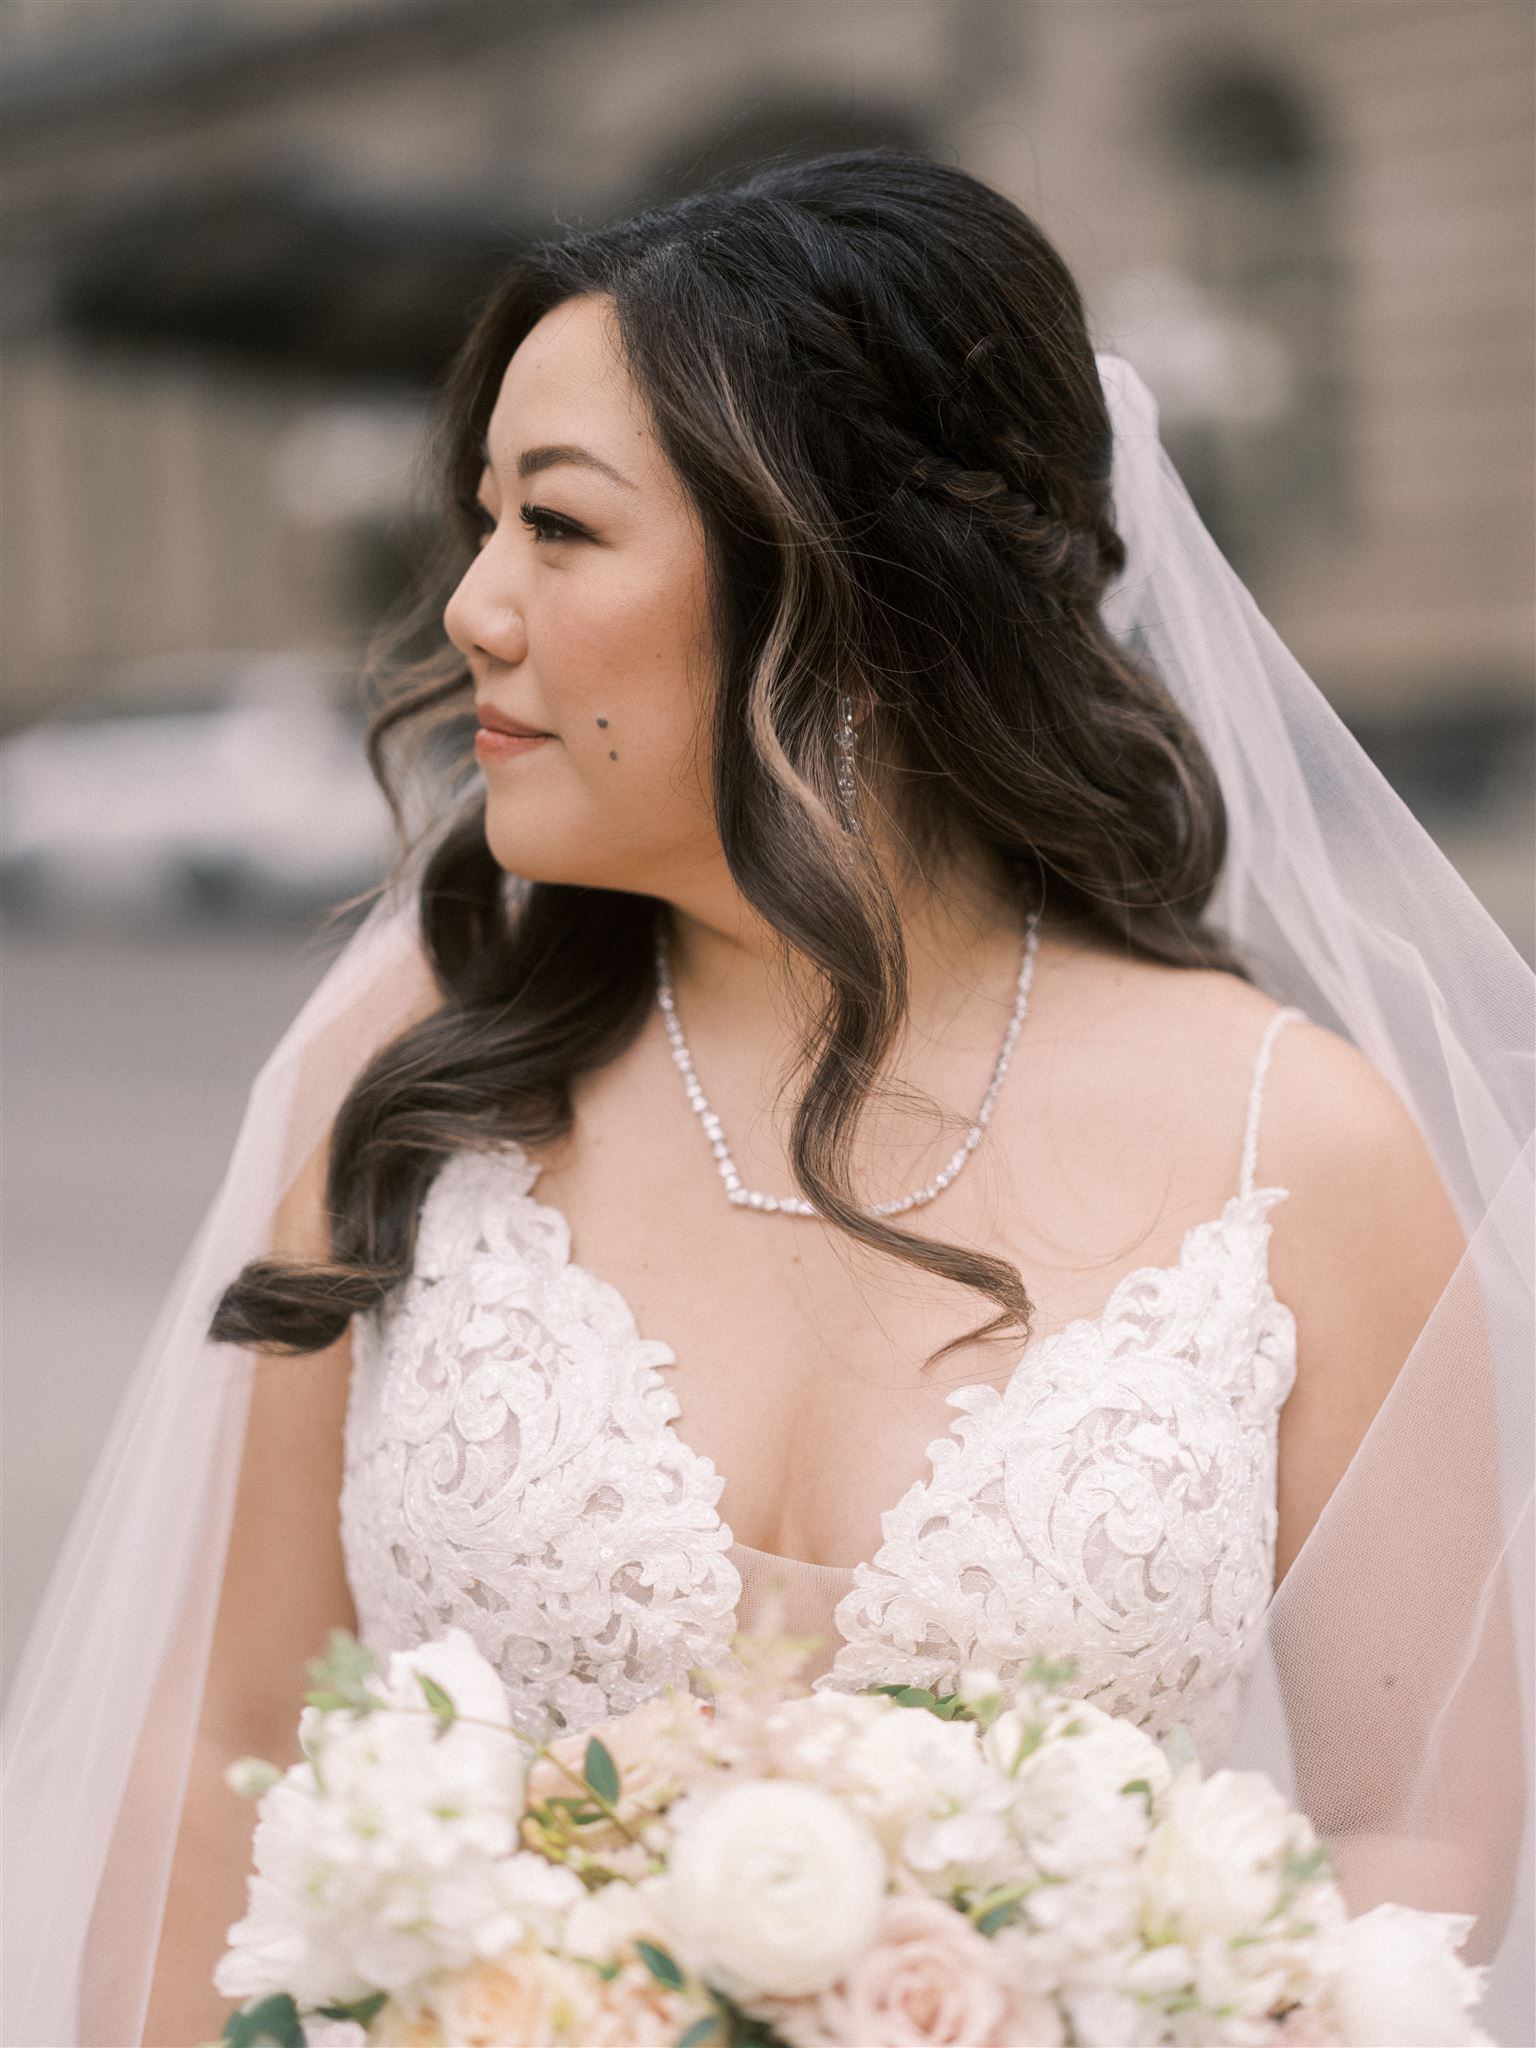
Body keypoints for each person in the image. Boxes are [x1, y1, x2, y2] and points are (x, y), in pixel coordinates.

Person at [3, 150, 1530, 2048]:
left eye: (559, 529)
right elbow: (224, 1747)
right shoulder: (409, 1074)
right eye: (483, 524)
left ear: (848, 589)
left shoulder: (1294, 1148)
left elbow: (1407, 1834)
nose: (472, 608)